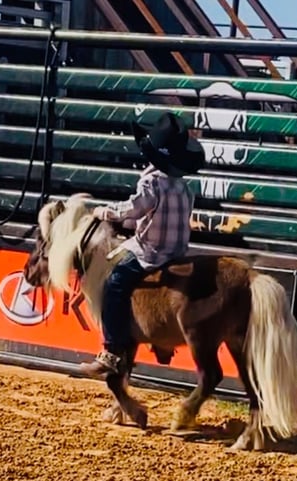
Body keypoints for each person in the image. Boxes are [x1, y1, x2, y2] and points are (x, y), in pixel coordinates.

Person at [73, 112, 205, 378]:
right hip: (178, 253)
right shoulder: (184, 187)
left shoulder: (151, 182)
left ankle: (111, 351)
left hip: (150, 253)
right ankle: (162, 343)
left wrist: (104, 212)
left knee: (114, 285)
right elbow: (158, 215)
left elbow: (134, 209)